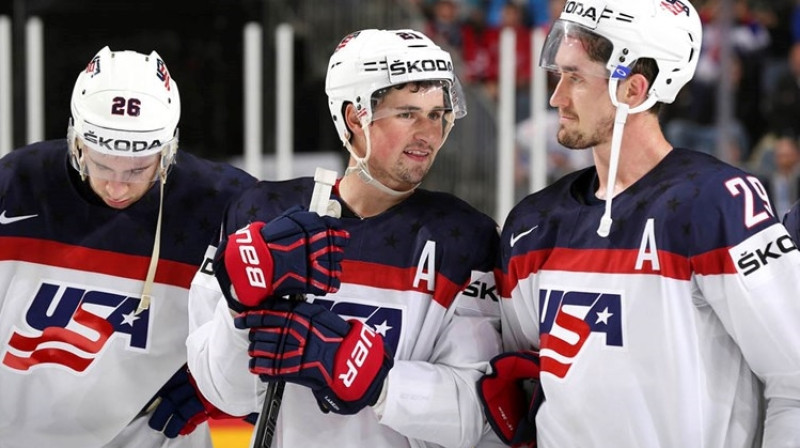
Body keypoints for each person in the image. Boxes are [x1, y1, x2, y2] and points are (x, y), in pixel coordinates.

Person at [476, 0, 800, 447]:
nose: (557, 98)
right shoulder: (532, 223)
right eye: (559, 76)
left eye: (575, 77)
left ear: (633, 89)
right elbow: (521, 380)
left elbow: (795, 378)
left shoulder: (715, 204)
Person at [185, 28, 502, 447]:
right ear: (355, 117)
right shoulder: (259, 213)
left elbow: (477, 417)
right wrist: (240, 309)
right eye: (408, 113)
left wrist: (378, 383)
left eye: (438, 114)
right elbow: (224, 392)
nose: (429, 133)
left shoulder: (465, 238)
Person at [0, 46, 258, 447]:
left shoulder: (223, 204)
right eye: (102, 165)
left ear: (168, 150)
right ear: (77, 141)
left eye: (139, 169)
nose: (117, 186)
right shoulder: (15, 185)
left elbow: (284, 317)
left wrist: (219, 382)